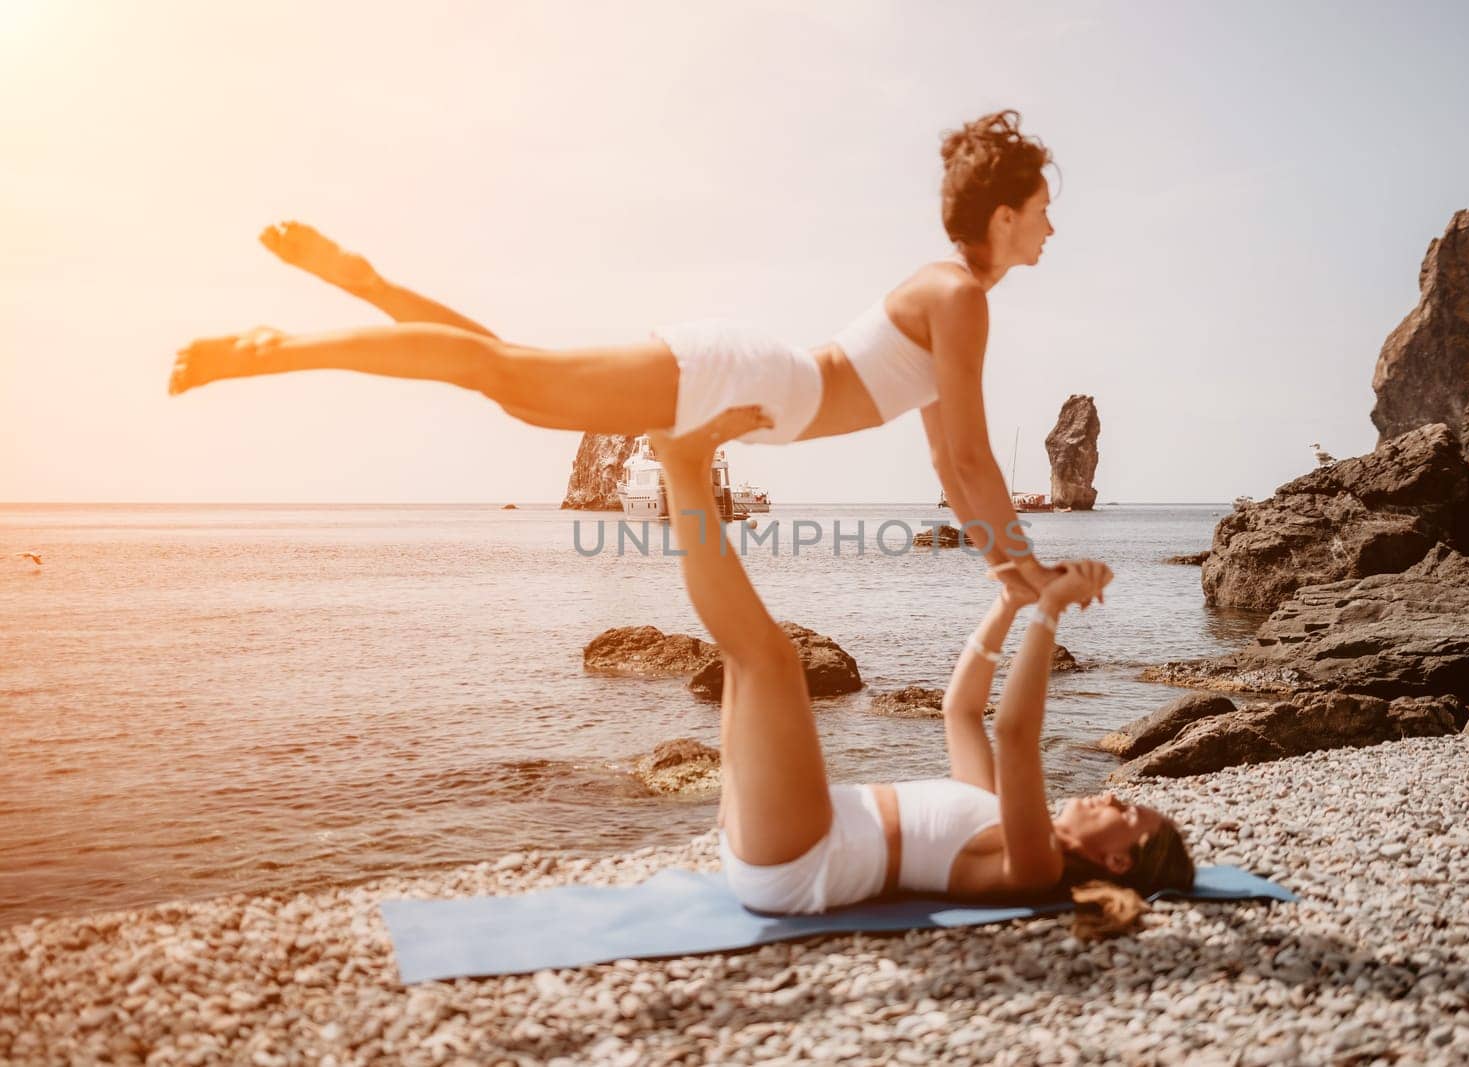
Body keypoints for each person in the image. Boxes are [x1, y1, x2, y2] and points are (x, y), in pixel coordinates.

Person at [168, 111, 1063, 597]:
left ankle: (364, 282)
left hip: (753, 381)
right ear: (1003, 216)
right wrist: (1028, 574)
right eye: (1042, 208)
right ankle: (273, 348)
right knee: (509, 377)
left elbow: (951, 460)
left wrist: (1015, 577)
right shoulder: (957, 298)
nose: (1051, 226)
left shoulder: (952, 296)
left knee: (510, 372)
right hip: (747, 379)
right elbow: (977, 458)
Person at [646, 405, 1194, 932]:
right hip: (786, 835)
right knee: (747, 661)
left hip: (801, 857)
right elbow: (962, 712)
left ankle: (679, 465)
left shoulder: (1038, 864)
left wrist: (1049, 611)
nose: (1114, 798)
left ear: (1118, 862)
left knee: (769, 658)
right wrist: (1009, 604)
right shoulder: (998, 815)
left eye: (1126, 814)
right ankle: (687, 464)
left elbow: (1015, 734)